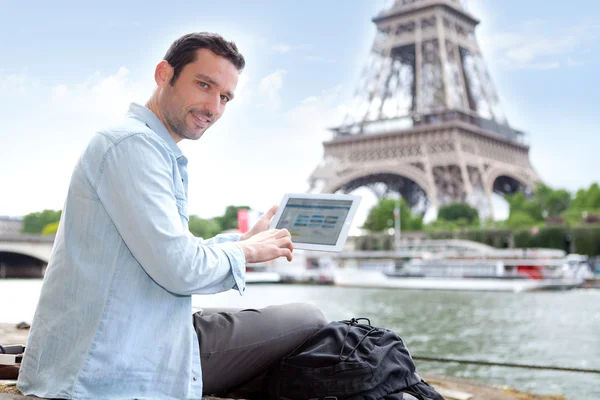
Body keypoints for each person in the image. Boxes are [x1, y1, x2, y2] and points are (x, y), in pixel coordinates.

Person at [17, 32, 328, 399]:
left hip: (118, 341)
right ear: (164, 73)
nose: (214, 106)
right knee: (309, 318)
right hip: (115, 362)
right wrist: (248, 252)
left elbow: (171, 253)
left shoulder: (140, 146)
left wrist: (244, 241)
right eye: (204, 84)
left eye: (225, 97)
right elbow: (180, 268)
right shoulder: (133, 146)